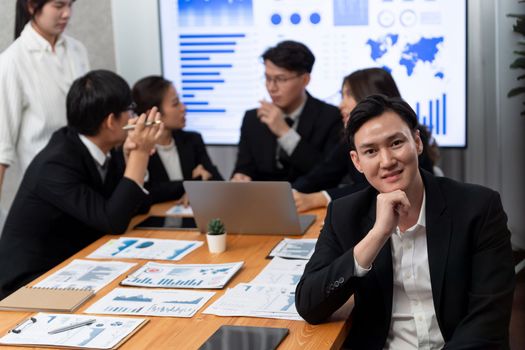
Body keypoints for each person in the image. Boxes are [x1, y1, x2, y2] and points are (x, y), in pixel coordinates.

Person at [295, 94, 515, 349]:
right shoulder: (344, 214)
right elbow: (309, 304)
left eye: (396, 143)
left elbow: (487, 321)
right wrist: (377, 235)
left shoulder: (478, 208)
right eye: (371, 151)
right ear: (357, 162)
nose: (387, 161)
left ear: (417, 142)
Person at [0, 70, 163, 299]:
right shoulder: (56, 162)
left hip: (71, 270)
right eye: (130, 110)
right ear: (110, 121)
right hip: (28, 286)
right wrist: (141, 154)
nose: (134, 117)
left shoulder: (105, 149)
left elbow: (138, 206)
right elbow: (113, 221)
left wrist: (130, 160)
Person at [292, 68, 437, 212]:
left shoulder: (409, 136)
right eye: (371, 150)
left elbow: (382, 187)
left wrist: (319, 198)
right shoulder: (351, 138)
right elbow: (325, 172)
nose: (341, 105)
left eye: (348, 95)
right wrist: (292, 193)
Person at [0, 0, 90, 225]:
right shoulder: (12, 61)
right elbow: (2, 149)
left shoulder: (77, 50)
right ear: (31, 6)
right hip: (45, 193)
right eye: (59, 6)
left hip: (85, 186)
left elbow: (91, 117)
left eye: (70, 5)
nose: (67, 14)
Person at [231, 40, 342, 182]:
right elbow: (243, 168)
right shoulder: (253, 118)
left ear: (305, 80)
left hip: (310, 201)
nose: (272, 87)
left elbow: (328, 174)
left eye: (280, 79)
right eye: (268, 78)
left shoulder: (329, 117)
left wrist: (284, 133)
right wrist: (240, 177)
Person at [131, 76, 223, 204]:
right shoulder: (136, 147)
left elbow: (218, 182)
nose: (183, 108)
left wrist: (198, 185)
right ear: (152, 114)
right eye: (175, 103)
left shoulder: (192, 140)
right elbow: (148, 192)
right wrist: (192, 184)